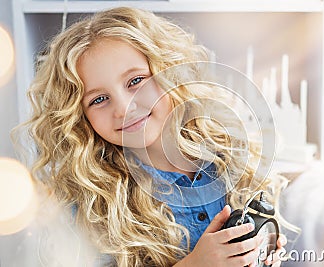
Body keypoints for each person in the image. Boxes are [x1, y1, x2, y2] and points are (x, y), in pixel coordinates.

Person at [15, 7, 293, 267]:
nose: (124, 108)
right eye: (99, 99)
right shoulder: (91, 205)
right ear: (79, 116)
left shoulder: (228, 156)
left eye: (136, 81)